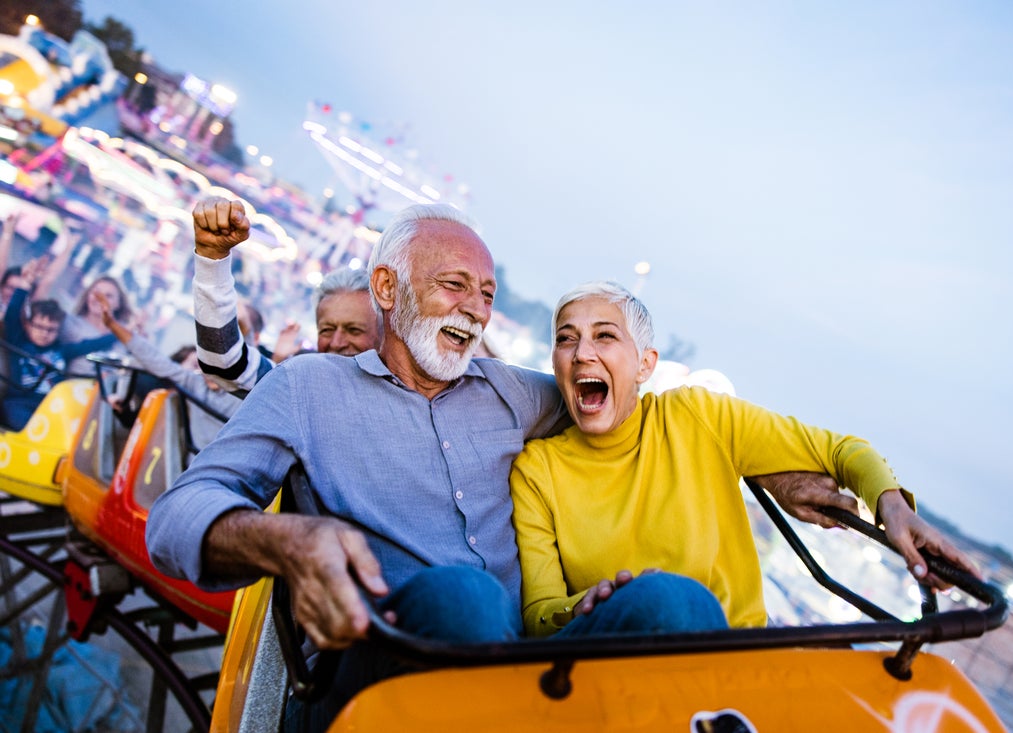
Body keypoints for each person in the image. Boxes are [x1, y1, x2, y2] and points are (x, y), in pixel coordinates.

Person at [148, 203, 869, 729]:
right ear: (390, 289)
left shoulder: (513, 394)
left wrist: (771, 470)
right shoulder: (308, 387)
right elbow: (180, 512)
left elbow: (623, 402)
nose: (477, 310)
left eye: (487, 295)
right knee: (466, 598)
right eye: (456, 285)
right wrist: (288, 541)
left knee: (676, 605)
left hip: (525, 662)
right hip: (389, 659)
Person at [510, 281, 980, 639]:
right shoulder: (537, 470)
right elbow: (539, 616)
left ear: (645, 366)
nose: (581, 353)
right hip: (612, 665)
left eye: (604, 336)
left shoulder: (697, 416)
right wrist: (588, 606)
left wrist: (893, 509)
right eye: (566, 339)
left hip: (738, 656)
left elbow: (841, 451)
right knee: (665, 601)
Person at [189, 197, 381, 393]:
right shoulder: (302, 391)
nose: (336, 342)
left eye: (354, 330)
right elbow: (223, 363)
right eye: (327, 330)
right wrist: (211, 256)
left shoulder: (400, 407)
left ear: (382, 337)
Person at [95, 292, 243, 449]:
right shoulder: (195, 384)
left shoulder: (241, 397)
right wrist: (112, 324)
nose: (206, 367)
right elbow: (153, 358)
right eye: (203, 360)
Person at [1, 284, 115, 429]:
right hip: (19, 402)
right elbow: (12, 317)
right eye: (39, 327)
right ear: (28, 325)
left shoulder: (61, 351)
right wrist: (23, 287)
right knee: (29, 426)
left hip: (52, 406)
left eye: (51, 329)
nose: (44, 333)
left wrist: (119, 333)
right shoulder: (19, 342)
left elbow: (90, 345)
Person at [60, 275, 133, 377]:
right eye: (96, 293)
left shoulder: (128, 332)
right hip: (71, 387)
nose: (100, 299)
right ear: (87, 296)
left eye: (108, 296)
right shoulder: (69, 323)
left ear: (118, 303)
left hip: (110, 390)